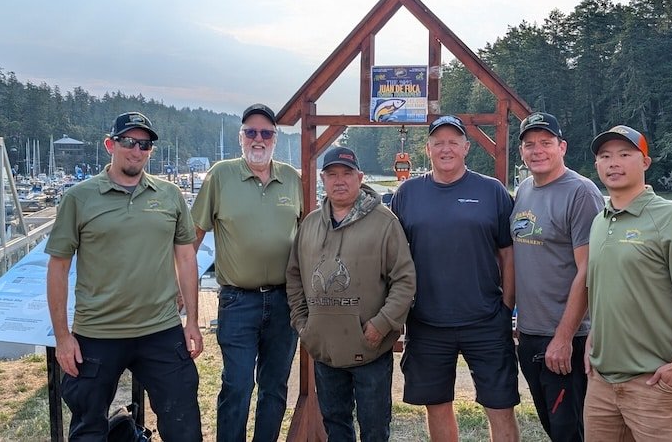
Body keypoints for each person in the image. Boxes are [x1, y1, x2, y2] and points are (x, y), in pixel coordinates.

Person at [46, 111, 203, 441]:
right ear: (110, 145)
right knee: (88, 427)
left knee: (183, 424)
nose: (137, 150)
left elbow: (187, 259)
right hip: (97, 332)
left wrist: (191, 321)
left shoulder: (170, 195)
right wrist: (63, 337)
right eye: (129, 142)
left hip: (160, 329)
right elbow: (58, 268)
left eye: (145, 145)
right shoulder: (80, 197)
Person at [391, 114, 520, 442]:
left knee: (500, 405)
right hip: (427, 322)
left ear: (466, 147)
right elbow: (391, 255)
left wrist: (506, 307)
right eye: (438, 142)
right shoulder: (407, 194)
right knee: (436, 405)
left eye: (453, 142)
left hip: (486, 320)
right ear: (428, 149)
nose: (445, 148)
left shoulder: (492, 191)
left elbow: (508, 254)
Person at [584, 125, 672, 441]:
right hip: (601, 383)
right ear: (597, 166)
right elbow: (603, 286)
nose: (614, 163)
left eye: (625, 154)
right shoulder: (599, 220)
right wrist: (593, 337)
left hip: (654, 384)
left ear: (645, 162)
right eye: (605, 156)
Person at [286, 146, 416, 441]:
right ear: (323, 179)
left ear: (360, 177)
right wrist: (303, 325)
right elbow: (293, 277)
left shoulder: (385, 223)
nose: (339, 180)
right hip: (326, 350)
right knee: (336, 427)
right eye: (332, 174)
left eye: (347, 174)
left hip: (371, 349)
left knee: (374, 429)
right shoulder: (309, 225)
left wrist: (380, 325)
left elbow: (405, 280)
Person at [191, 103, 303, 442]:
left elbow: (311, 235)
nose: (259, 139)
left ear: (275, 139)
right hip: (239, 300)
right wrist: (180, 292)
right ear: (241, 137)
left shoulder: (293, 179)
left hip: (285, 302)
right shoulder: (221, 176)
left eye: (266, 133)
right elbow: (190, 238)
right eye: (251, 132)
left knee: (275, 386)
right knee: (237, 384)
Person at [510, 112, 604, 442]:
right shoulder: (523, 190)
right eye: (529, 144)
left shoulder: (581, 192)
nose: (537, 150)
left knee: (570, 431)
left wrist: (563, 338)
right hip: (531, 335)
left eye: (546, 143)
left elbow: (588, 270)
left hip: (567, 339)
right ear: (521, 151)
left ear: (562, 147)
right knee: (552, 427)